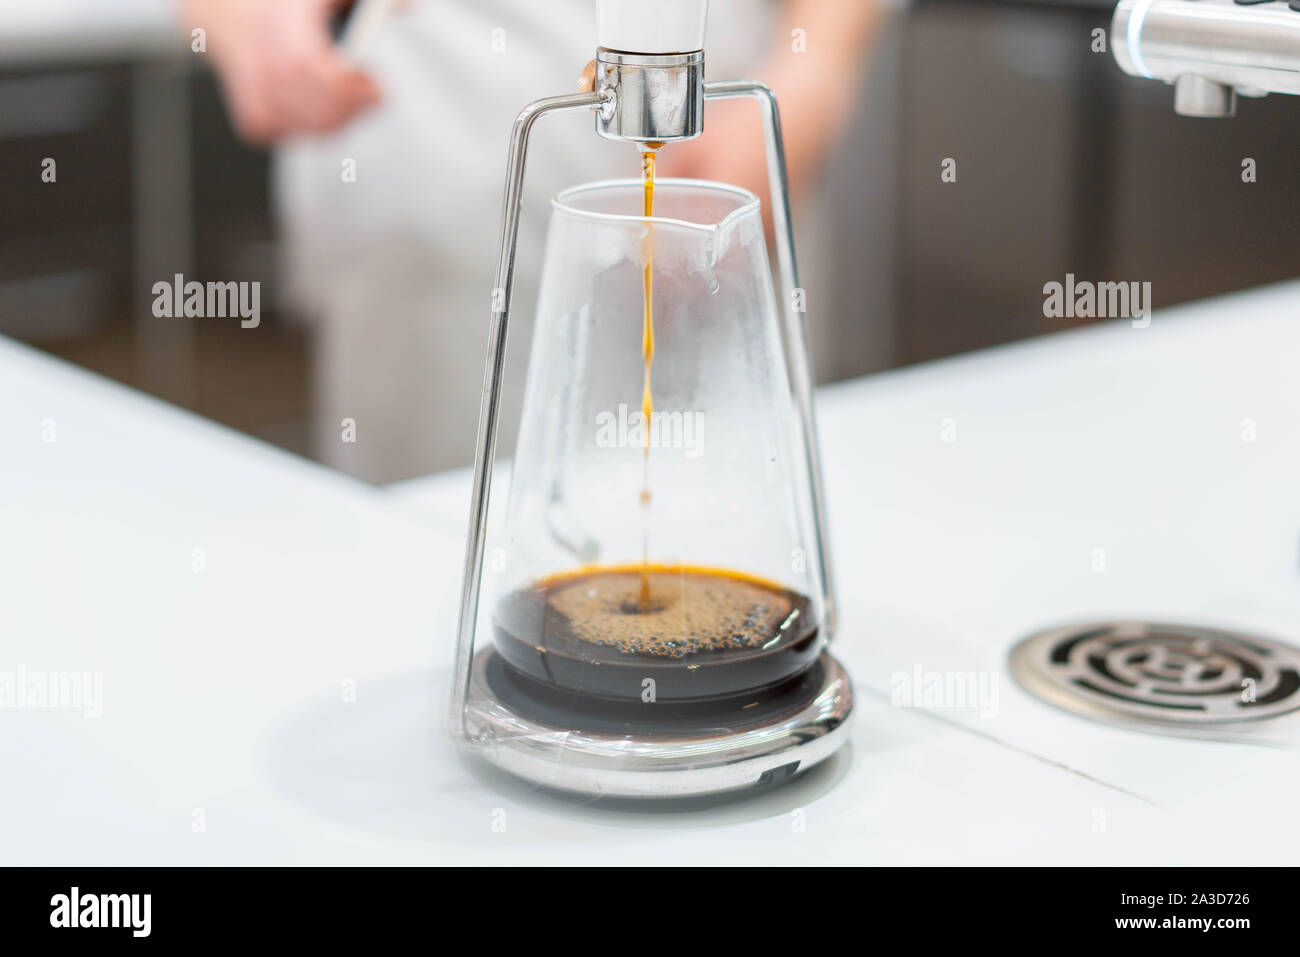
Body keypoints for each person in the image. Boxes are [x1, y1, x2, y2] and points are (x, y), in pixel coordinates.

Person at [183, 0, 886, 482]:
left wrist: (817, 63)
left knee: (723, 509)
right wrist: (245, 22)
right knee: (434, 548)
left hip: (723, 124)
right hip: (435, 139)